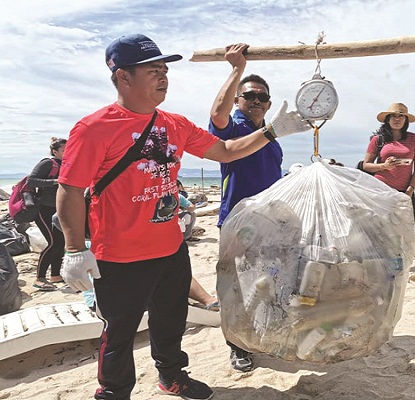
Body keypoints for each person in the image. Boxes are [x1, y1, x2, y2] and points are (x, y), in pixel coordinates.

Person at [56, 33, 310, 400]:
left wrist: (272, 131)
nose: (163, 76)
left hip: (170, 247)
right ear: (123, 76)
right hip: (119, 254)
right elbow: (70, 189)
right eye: (152, 70)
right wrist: (75, 249)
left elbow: (224, 151)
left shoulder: (174, 123)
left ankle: (172, 376)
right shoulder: (95, 127)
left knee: (170, 320)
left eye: (164, 69)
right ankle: (114, 391)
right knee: (120, 330)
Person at [208, 43, 285, 373]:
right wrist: (236, 70)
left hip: (269, 222)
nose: (255, 101)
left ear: (268, 105)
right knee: (234, 286)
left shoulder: (272, 137)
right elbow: (216, 116)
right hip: (238, 223)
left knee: (267, 281)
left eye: (261, 97)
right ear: (239, 100)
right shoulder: (235, 127)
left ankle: (261, 337)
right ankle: (237, 347)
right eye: (249, 95)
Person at [361, 103, 415, 274]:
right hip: (380, 191)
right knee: (381, 227)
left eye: (401, 116)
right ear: (387, 119)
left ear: (406, 119)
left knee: (412, 226)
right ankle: (385, 262)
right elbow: (366, 166)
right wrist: (384, 166)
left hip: (405, 190)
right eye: (393, 116)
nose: (397, 119)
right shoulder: (377, 140)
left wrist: (410, 190)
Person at [27, 137, 67, 291]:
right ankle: (39, 278)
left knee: (61, 242)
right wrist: (55, 181)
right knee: (53, 242)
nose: (67, 152)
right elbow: (31, 181)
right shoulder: (47, 163)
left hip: (59, 209)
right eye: (64, 150)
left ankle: (55, 275)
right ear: (55, 151)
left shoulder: (66, 164)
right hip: (44, 209)